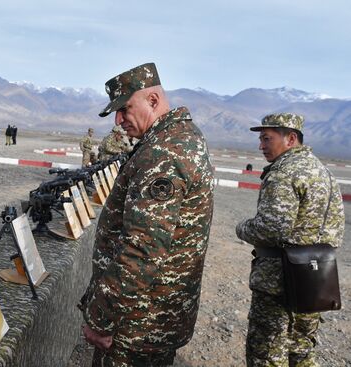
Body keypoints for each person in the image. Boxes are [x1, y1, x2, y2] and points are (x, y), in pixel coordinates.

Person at [79, 62, 214, 366]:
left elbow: (142, 250)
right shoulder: (179, 138)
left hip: (138, 324)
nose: (118, 120)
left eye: (125, 109)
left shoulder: (163, 154)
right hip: (153, 316)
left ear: (153, 101)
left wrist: (101, 318)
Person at [235, 113, 345, 367]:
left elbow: (272, 229)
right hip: (317, 278)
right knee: (302, 351)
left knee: (267, 353)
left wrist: (242, 228)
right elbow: (335, 228)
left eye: (266, 138)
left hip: (279, 281)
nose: (261, 145)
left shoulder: (284, 172)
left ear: (291, 139)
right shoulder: (322, 171)